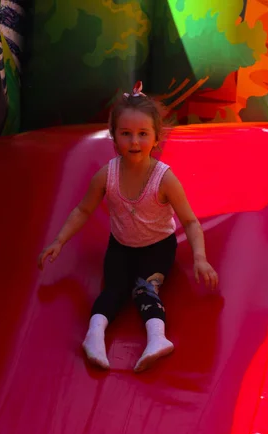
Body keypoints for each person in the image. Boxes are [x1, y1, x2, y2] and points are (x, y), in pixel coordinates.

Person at [38, 82, 218, 372]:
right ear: (114, 136)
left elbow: (190, 222)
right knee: (113, 290)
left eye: (143, 134)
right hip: (120, 247)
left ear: (156, 137)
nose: (134, 142)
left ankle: (158, 339)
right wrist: (59, 240)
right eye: (126, 134)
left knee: (144, 289)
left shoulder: (164, 179)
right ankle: (93, 337)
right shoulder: (106, 176)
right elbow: (83, 210)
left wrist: (200, 257)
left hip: (158, 248)